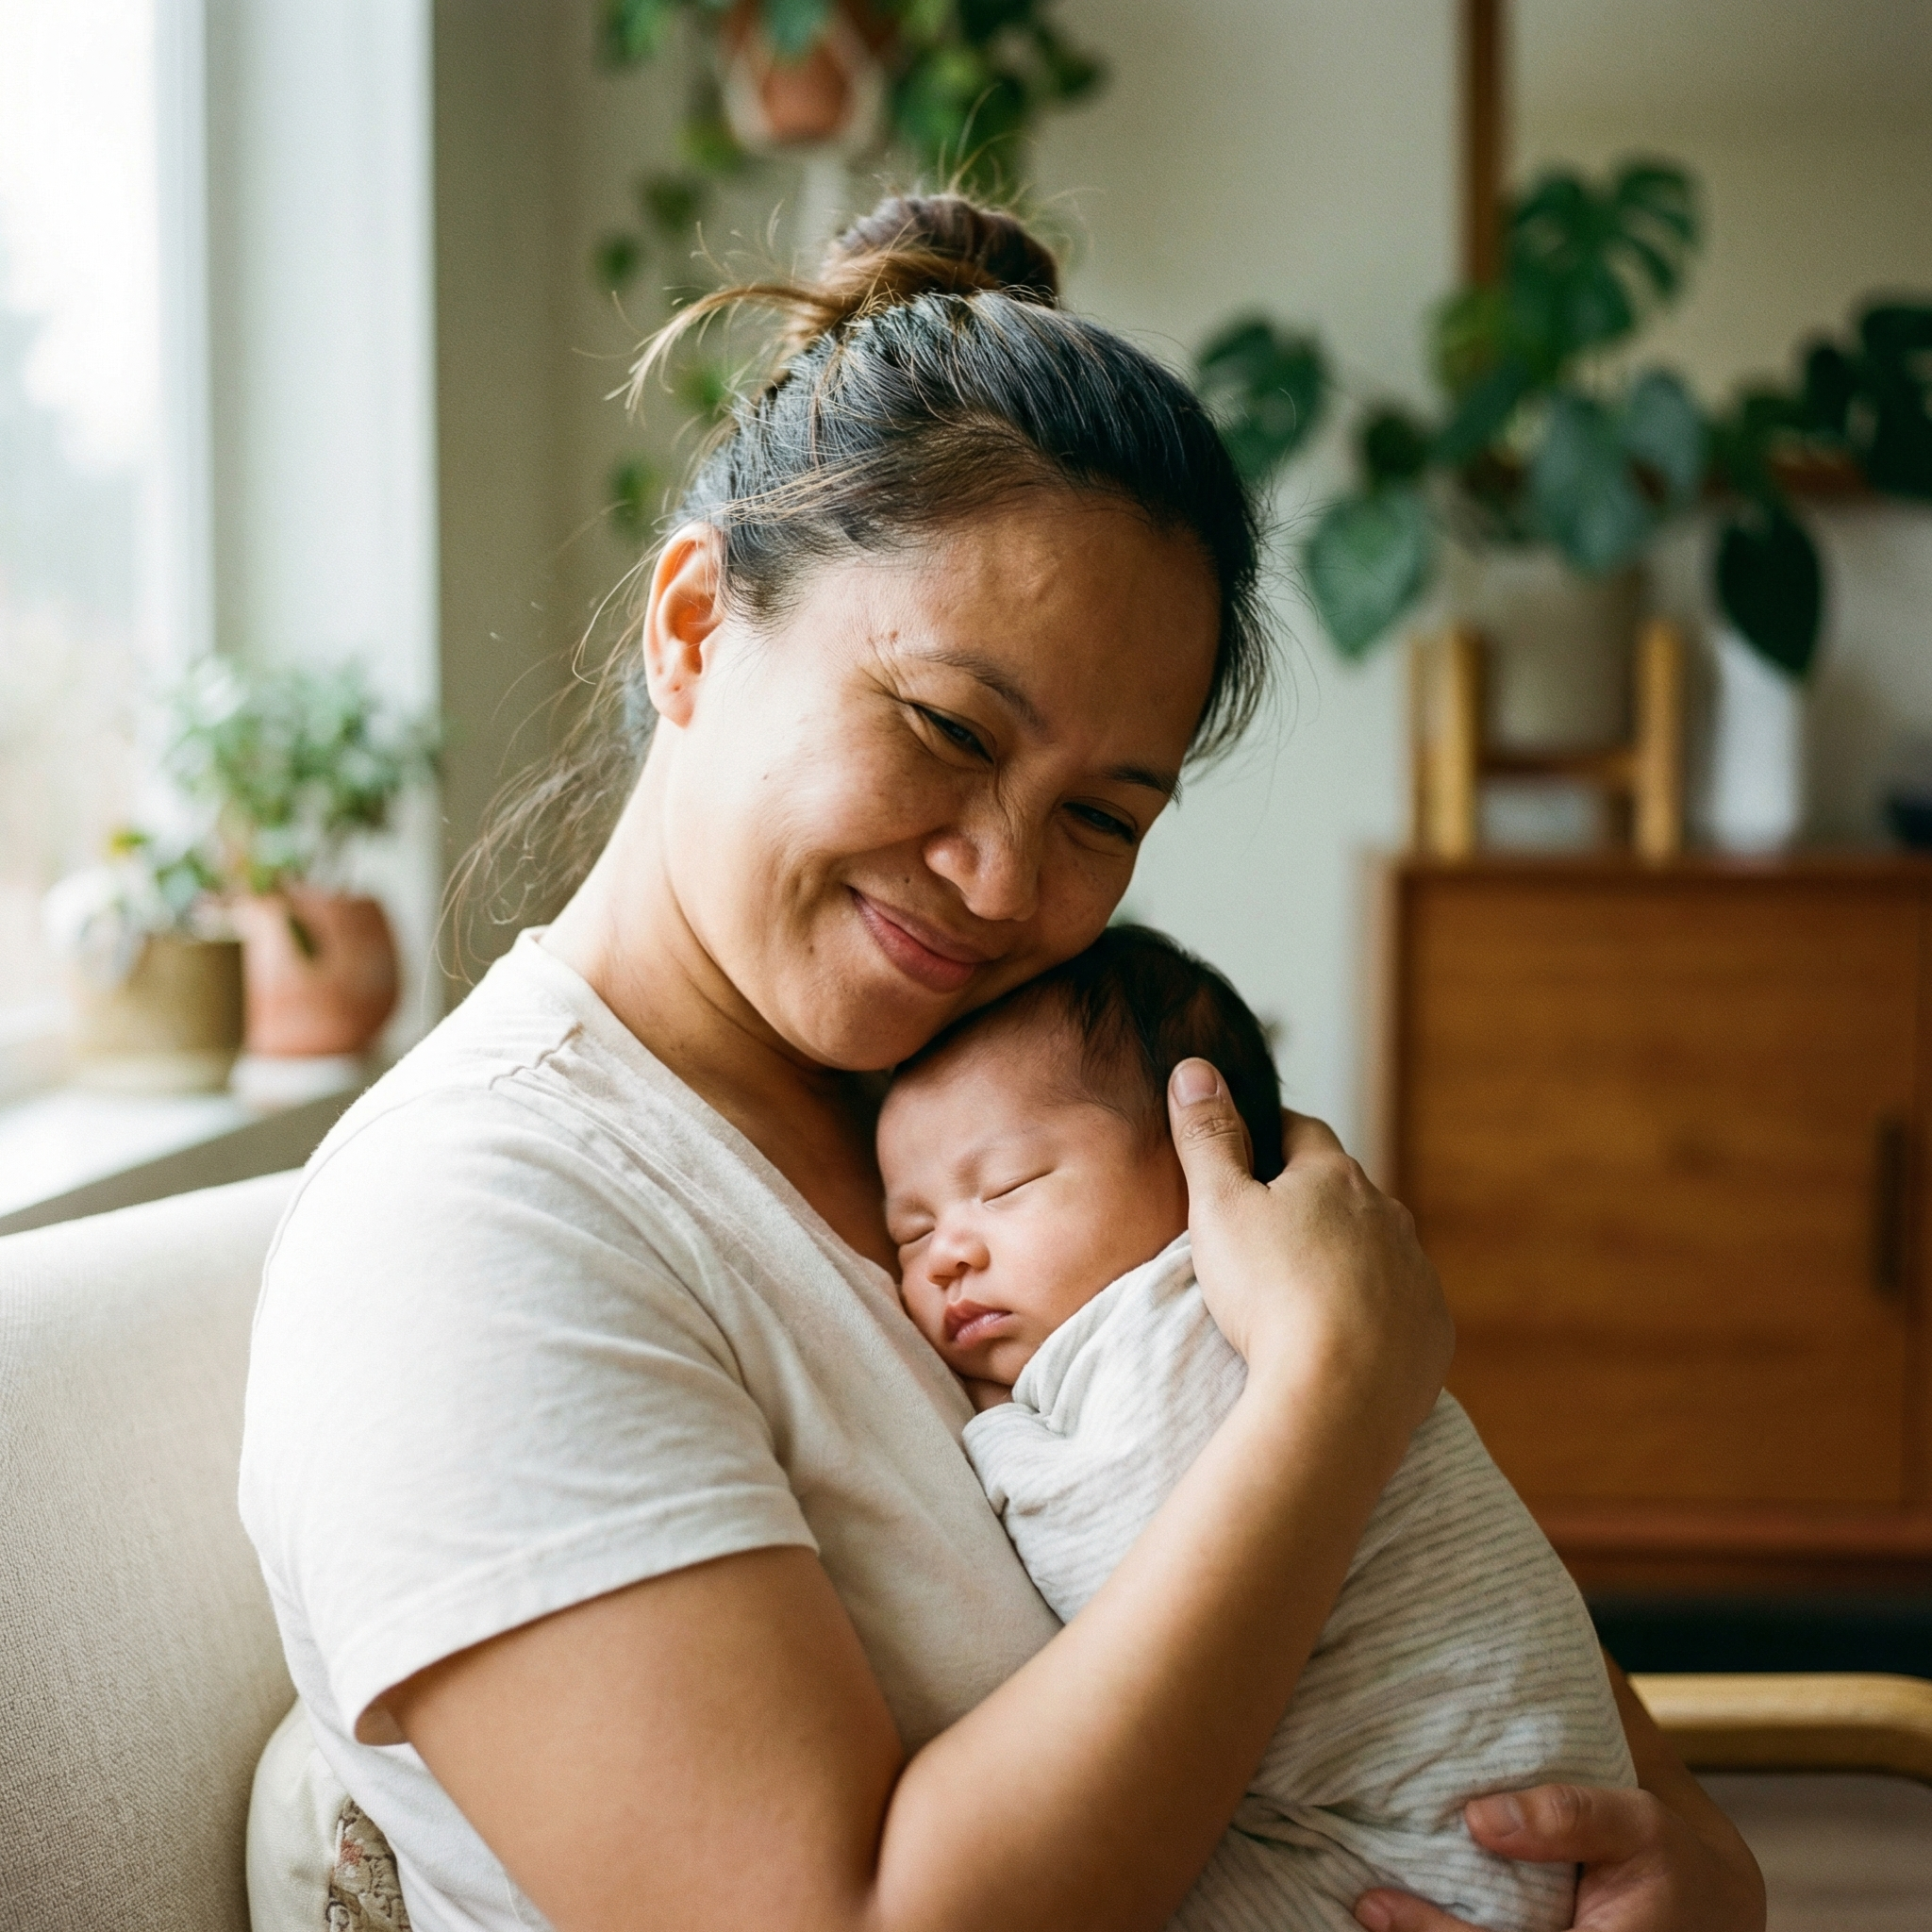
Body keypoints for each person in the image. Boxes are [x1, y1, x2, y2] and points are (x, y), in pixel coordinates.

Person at [240, 193, 1765, 1932]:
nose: (998, 881)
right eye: (946, 729)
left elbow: (1430, 1572)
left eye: (1101, 817)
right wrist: (1333, 1388)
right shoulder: (472, 1234)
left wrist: (1686, 1854)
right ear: (689, 625)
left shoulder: (1019, 1087)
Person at [879, 924, 1637, 1932]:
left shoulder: (1175, 1313)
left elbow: (1115, 1564)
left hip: (1417, 1850)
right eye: (910, 1229)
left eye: (1008, 1187)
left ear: (1205, 1167)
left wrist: (991, 1429)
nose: (947, 1256)